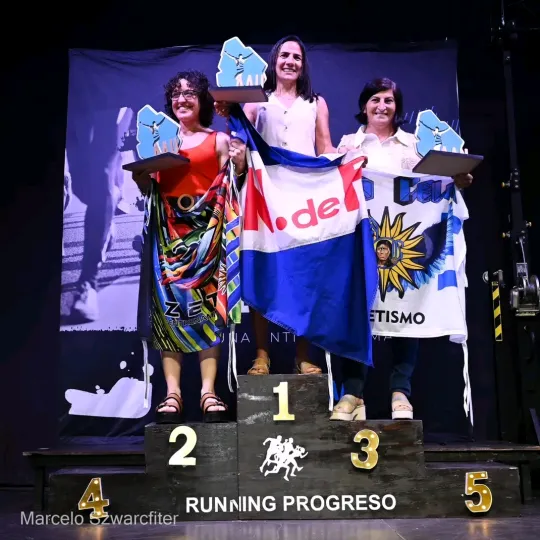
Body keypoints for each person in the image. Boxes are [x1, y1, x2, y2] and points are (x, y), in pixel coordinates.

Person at [331, 77, 473, 421]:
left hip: (404, 245)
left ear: (397, 107)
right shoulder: (348, 144)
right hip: (360, 241)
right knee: (357, 314)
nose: (382, 106)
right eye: (376, 99)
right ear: (364, 105)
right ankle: (353, 392)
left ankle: (401, 392)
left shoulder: (413, 145)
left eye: (389, 100)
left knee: (407, 309)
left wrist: (456, 180)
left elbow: (437, 184)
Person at [216, 35, 335, 377]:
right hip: (264, 196)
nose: (290, 61)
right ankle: (262, 356)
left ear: (303, 65)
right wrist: (232, 116)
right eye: (284, 55)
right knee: (263, 273)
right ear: (274, 60)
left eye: (297, 57)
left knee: (304, 276)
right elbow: (242, 141)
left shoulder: (316, 103)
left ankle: (302, 356)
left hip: (305, 199)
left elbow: (325, 147)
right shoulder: (258, 100)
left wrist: (344, 163)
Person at [132, 70, 246, 423]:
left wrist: (241, 163)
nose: (182, 99)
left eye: (190, 93)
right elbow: (149, 189)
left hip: (208, 234)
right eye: (176, 94)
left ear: (202, 100)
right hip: (167, 234)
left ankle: (208, 391)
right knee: (168, 312)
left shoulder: (219, 140)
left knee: (208, 310)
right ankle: (173, 393)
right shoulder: (159, 143)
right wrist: (140, 176)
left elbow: (234, 182)